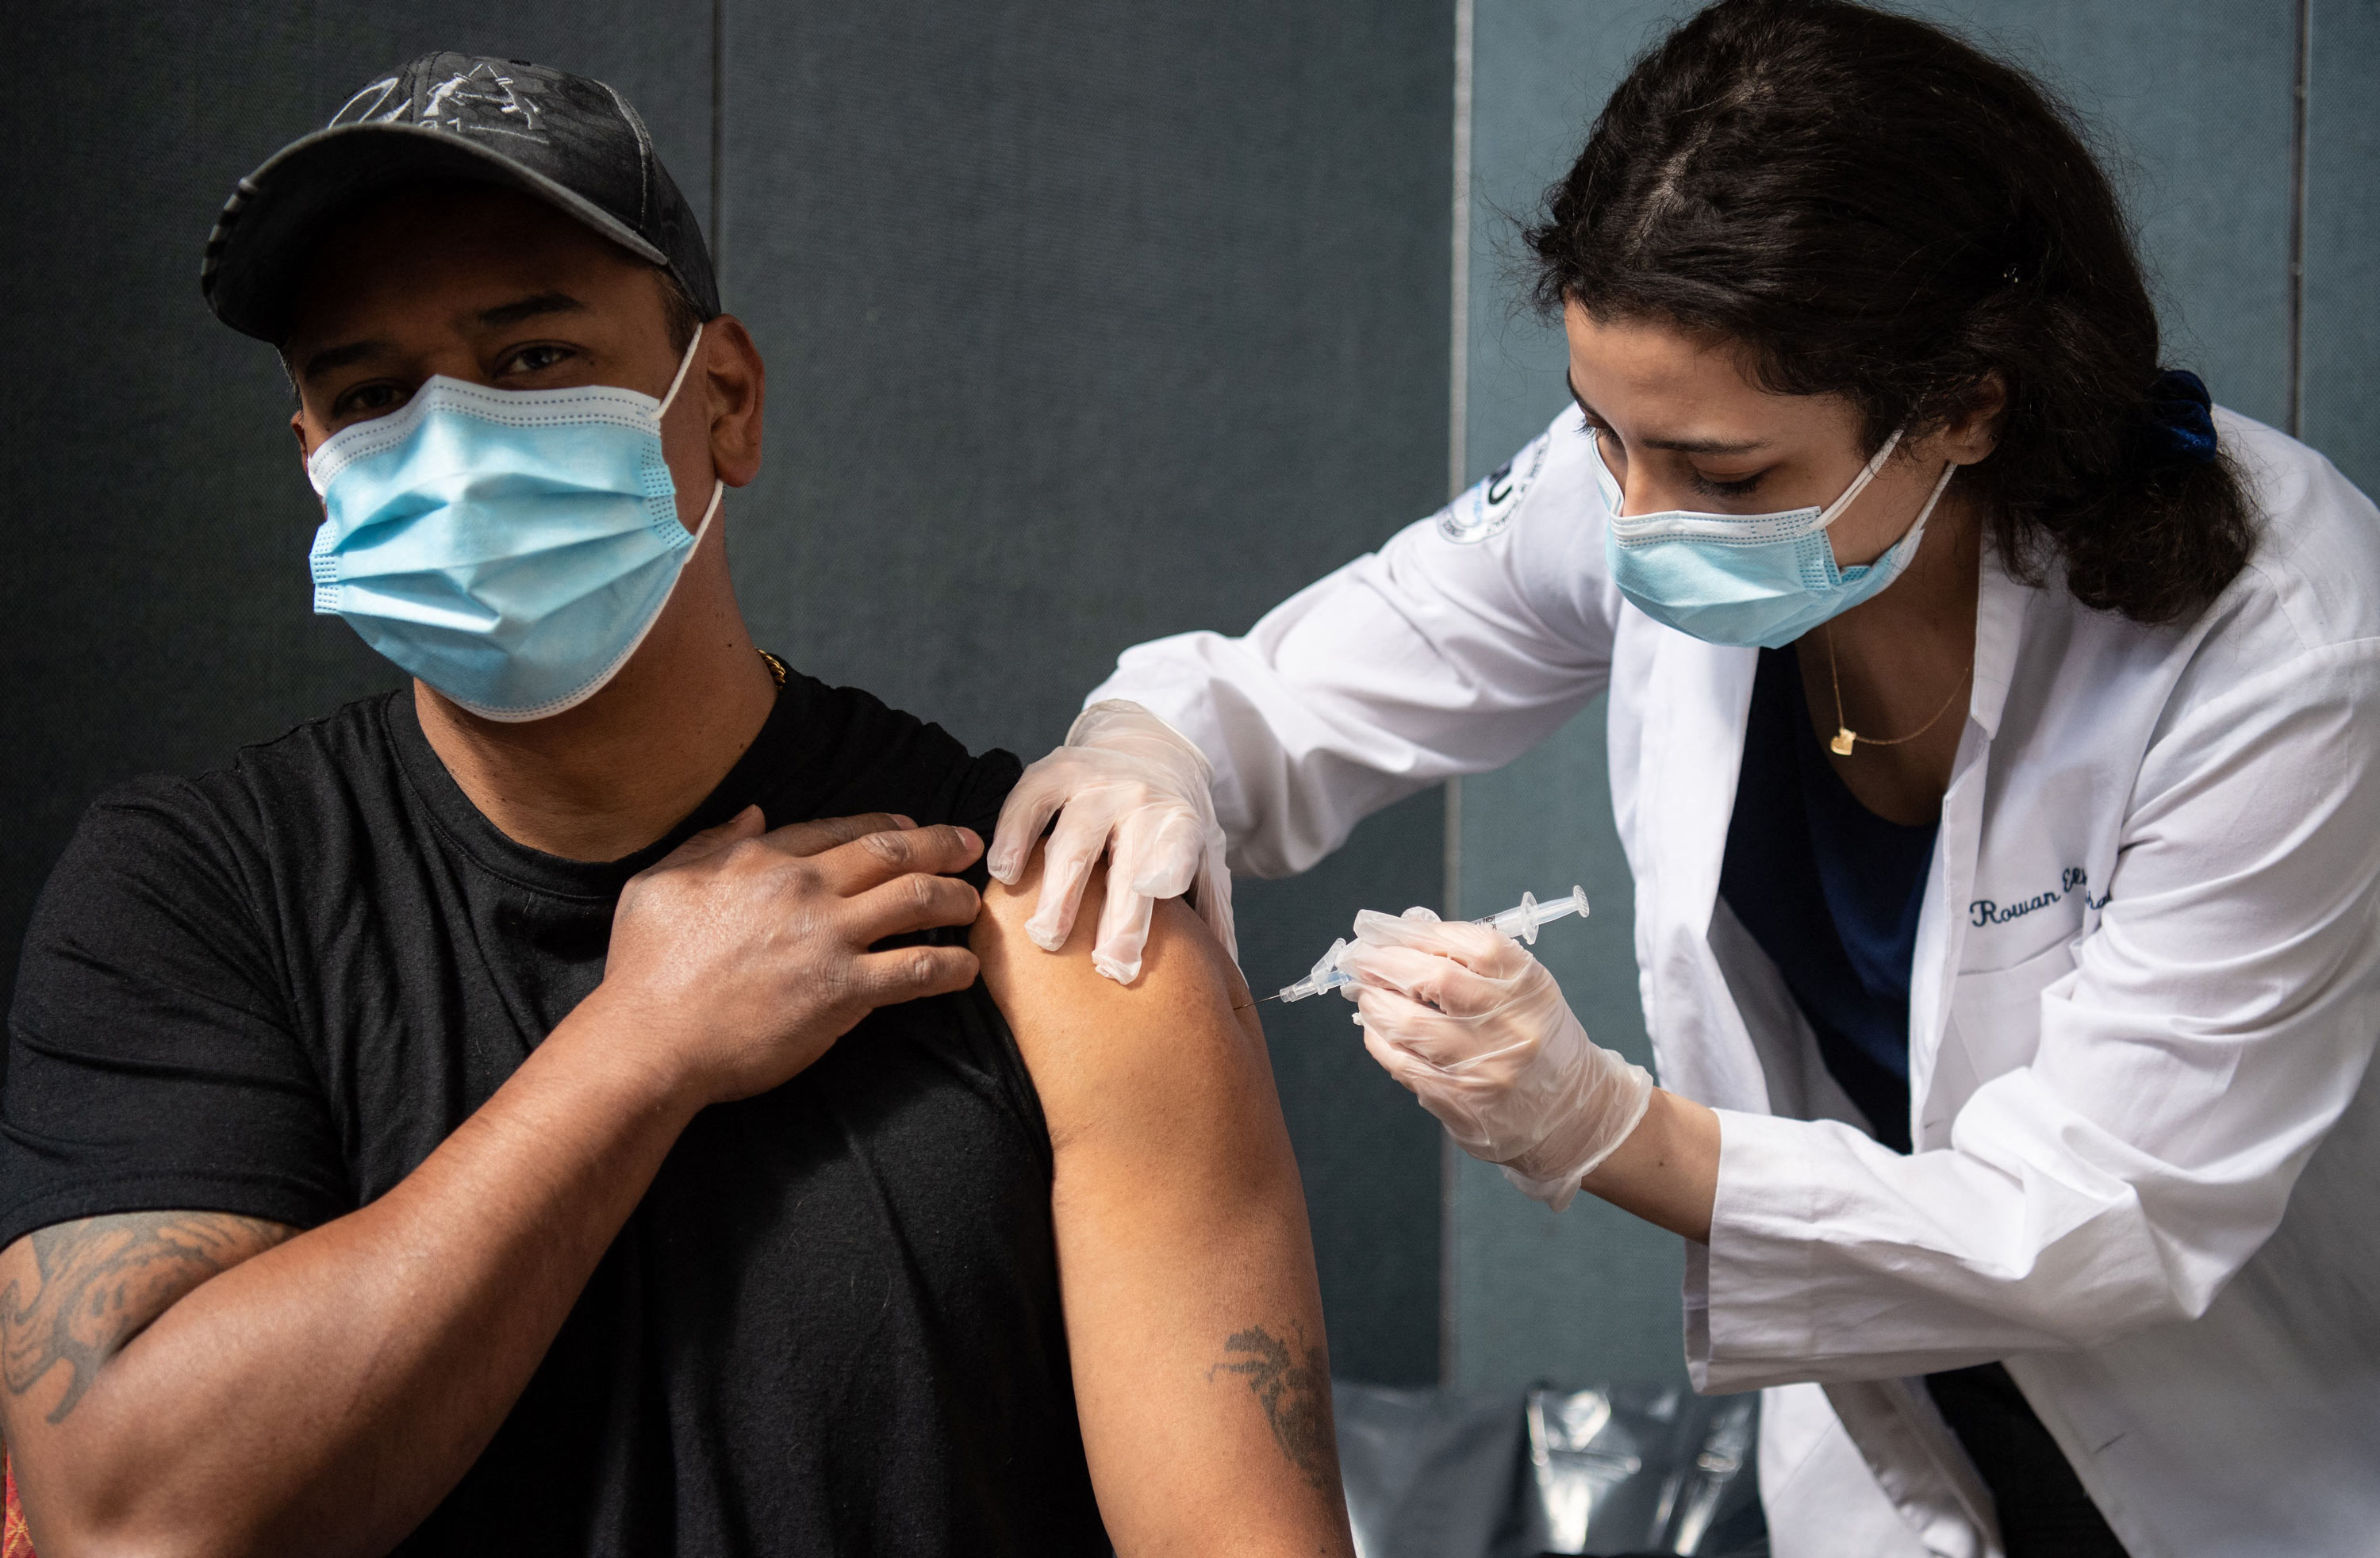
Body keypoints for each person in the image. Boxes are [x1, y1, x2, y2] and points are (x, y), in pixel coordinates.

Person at [988, 3, 2380, 1555]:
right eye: (1602, 437)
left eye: (1722, 478)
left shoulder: (2280, 647)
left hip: (2251, 1447)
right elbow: (1308, 683)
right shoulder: (1661, 469)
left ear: (1968, 403)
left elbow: (2106, 1216)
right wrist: (1150, 748)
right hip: (1902, 1452)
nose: (1640, 527)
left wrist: (1606, 1128)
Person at [0, 55, 1353, 1558]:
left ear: (724, 401)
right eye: (372, 393)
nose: (451, 450)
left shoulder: (1050, 910)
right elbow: (128, 1523)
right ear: (316, 461)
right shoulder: (198, 892)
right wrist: (635, 1051)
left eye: (529, 362)